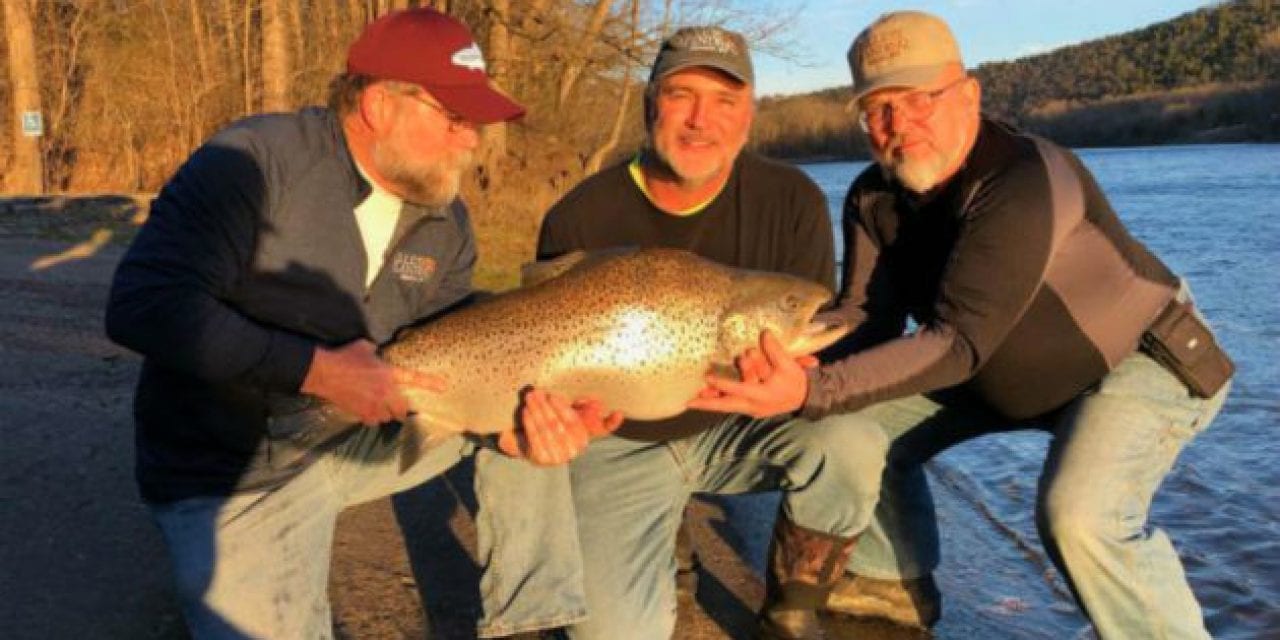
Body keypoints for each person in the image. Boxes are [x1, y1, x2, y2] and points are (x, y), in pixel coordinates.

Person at [690, 10, 1235, 639]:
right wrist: (794, 363)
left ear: (969, 94)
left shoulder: (1024, 179)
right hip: (994, 373)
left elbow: (957, 341)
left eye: (921, 99)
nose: (901, 125)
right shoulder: (873, 197)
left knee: (1080, 517)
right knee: (852, 422)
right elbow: (868, 316)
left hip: (1138, 360)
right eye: (879, 110)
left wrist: (810, 391)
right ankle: (889, 585)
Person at [105, 9, 618, 639]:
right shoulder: (254, 163)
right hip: (238, 474)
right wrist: (317, 371)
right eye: (456, 119)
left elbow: (460, 350)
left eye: (476, 123)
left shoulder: (445, 220)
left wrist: (516, 428)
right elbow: (144, 305)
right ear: (378, 105)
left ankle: (534, 618)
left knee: (533, 386)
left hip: (365, 431)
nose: (473, 141)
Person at [535, 26, 888, 639]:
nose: (702, 120)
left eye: (725, 101)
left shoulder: (793, 200)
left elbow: (806, 352)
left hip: (738, 426)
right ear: (651, 107)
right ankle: (662, 535)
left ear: (748, 116)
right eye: (681, 95)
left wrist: (793, 384)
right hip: (618, 442)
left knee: (854, 440)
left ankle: (792, 608)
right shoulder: (580, 216)